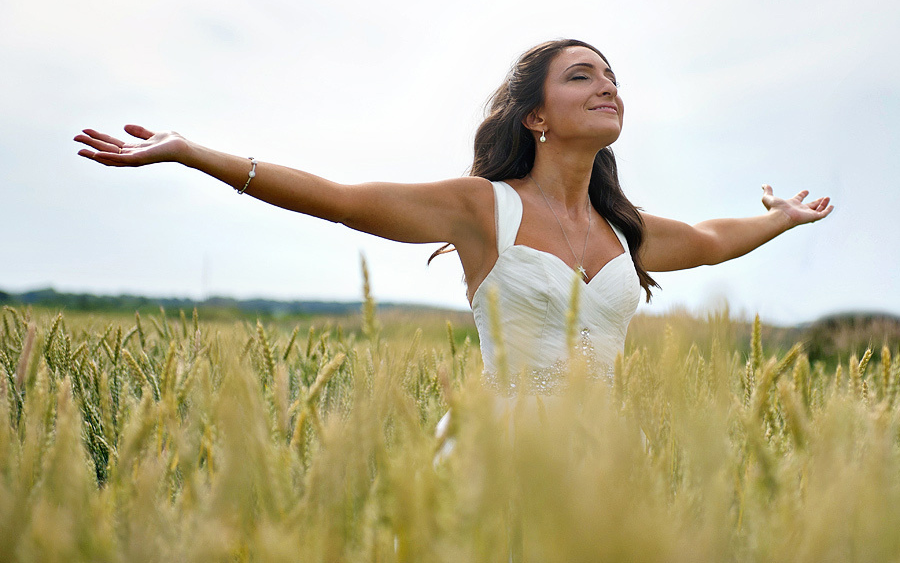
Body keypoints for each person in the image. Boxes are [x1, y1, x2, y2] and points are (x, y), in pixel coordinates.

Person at [74, 39, 832, 394]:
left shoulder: (620, 227)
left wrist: (783, 219)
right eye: (582, 77)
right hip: (495, 463)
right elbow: (340, 200)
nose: (608, 87)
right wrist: (190, 152)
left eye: (613, 78)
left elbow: (704, 242)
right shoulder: (481, 209)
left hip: (603, 466)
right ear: (536, 116)